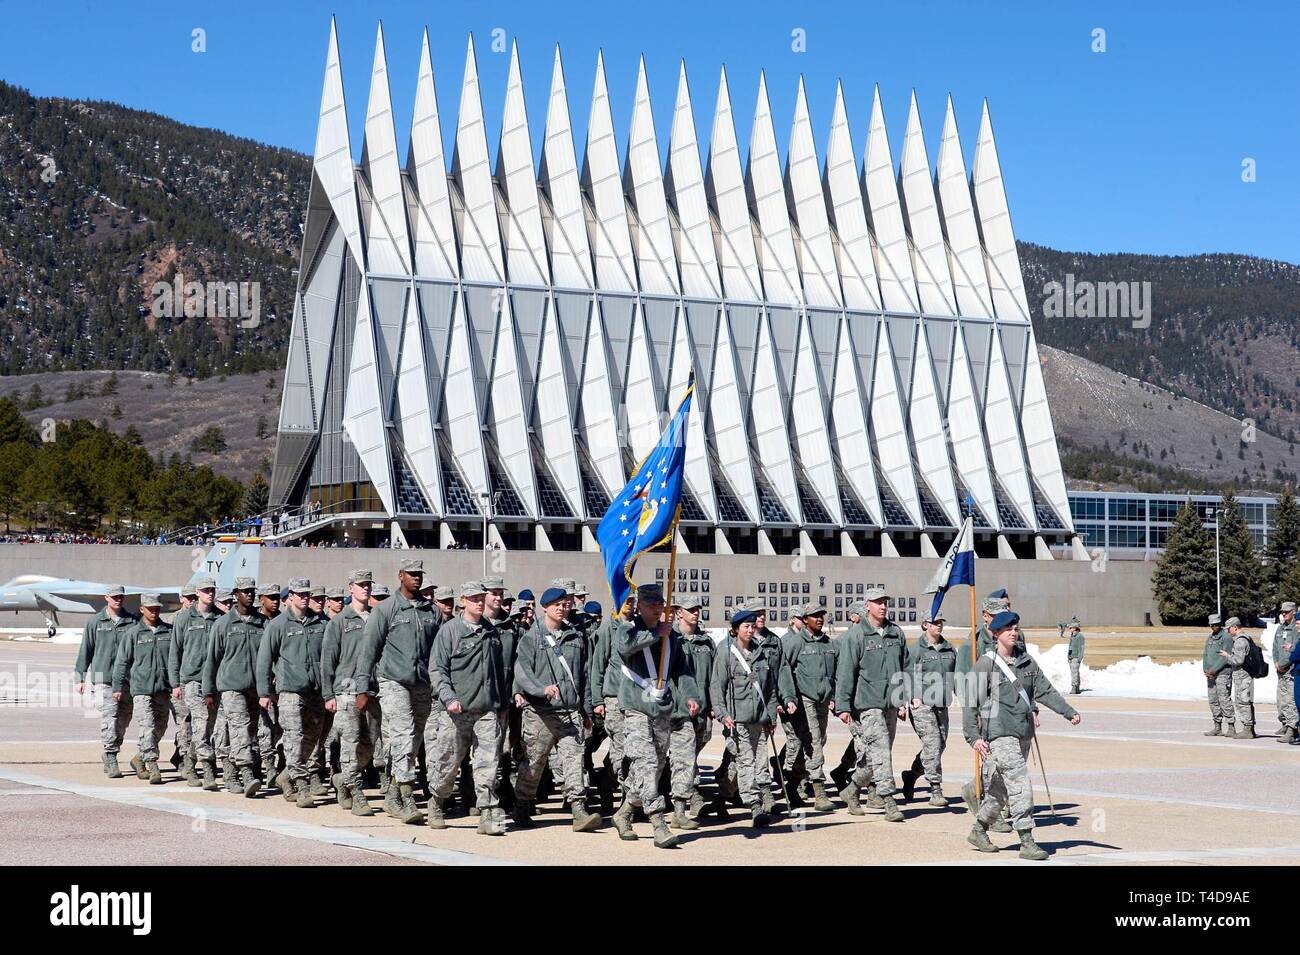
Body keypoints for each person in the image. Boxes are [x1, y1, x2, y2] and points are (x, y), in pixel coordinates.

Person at [962, 610, 1080, 860]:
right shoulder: (986, 663)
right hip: (999, 734)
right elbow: (970, 703)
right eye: (1008, 630)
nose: (1014, 632)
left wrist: (1067, 712)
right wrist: (974, 737)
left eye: (1015, 628)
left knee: (1000, 789)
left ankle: (979, 829)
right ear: (996, 634)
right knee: (1020, 783)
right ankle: (1026, 840)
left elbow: (1045, 690)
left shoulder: (1026, 662)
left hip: (1022, 733)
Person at [611, 583, 702, 848]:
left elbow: (681, 671)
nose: (657, 609)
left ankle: (624, 812)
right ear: (639, 606)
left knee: (651, 769)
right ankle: (659, 823)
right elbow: (625, 648)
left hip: (662, 709)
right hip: (636, 708)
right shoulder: (628, 628)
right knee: (647, 763)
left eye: (660, 605)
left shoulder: (670, 637)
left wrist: (690, 695)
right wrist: (653, 634)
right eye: (652, 605)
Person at [356, 559, 439, 824]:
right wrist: (362, 688)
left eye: (419, 575)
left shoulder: (431, 611)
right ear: (400, 576)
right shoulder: (387, 610)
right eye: (412, 574)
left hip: (423, 684)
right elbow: (368, 651)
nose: (417, 579)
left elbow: (438, 652)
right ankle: (407, 796)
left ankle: (393, 791)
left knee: (413, 740)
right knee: (403, 735)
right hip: (393, 681)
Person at [511, 587, 601, 832]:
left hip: (570, 710)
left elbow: (584, 675)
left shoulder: (575, 636)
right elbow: (522, 672)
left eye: (565, 604)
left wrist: (587, 711)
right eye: (557, 605)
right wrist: (540, 690)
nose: (562, 608)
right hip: (540, 712)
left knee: (574, 759)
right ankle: (521, 805)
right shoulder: (531, 637)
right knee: (534, 762)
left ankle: (578, 809)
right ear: (545, 608)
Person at [427, 580, 508, 834]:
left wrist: (501, 702)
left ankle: (487, 813)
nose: (479, 603)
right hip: (456, 711)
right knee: (448, 762)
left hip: (486, 709)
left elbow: (498, 672)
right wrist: (449, 698)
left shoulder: (491, 632)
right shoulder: (450, 631)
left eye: (481, 598)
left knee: (489, 762)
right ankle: (437, 801)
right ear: (463, 601)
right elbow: (437, 670)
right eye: (474, 599)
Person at [833, 586, 908, 822]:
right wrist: (843, 706)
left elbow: (904, 668)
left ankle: (852, 789)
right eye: (878, 602)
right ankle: (889, 801)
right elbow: (846, 671)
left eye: (885, 601)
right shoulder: (857, 635)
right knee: (882, 752)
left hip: (891, 704)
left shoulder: (896, 633)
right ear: (867, 606)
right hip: (868, 704)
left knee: (876, 757)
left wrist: (903, 699)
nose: (883, 606)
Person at [712, 609, 792, 828]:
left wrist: (771, 715)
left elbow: (770, 687)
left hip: (759, 717)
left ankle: (721, 798)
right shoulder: (726, 652)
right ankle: (755, 805)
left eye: (752, 626)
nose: (750, 630)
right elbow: (716, 686)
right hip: (736, 718)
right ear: (736, 629)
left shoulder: (761, 652)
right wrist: (722, 713)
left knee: (752, 763)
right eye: (745, 627)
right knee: (746, 761)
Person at [257, 578, 325, 808]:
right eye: (300, 594)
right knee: (294, 736)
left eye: (307, 594)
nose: (305, 597)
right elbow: (264, 660)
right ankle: (301, 785)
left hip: (316, 690)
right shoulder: (278, 625)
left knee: (313, 736)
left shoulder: (320, 623)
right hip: (289, 691)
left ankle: (286, 774)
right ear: (291, 597)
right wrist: (264, 692)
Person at [321, 569, 379, 816]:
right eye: (360, 584)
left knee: (371, 744)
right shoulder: (340, 622)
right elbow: (327, 660)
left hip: (373, 690)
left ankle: (342, 780)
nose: (365, 588)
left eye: (368, 584)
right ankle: (356, 793)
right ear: (351, 588)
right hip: (347, 691)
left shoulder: (377, 618)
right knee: (350, 742)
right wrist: (328, 694)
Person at [202, 577, 267, 797]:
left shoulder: (262, 623)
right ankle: (247, 773)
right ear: (235, 594)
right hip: (231, 686)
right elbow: (212, 659)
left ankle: (230, 774)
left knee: (248, 732)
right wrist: (208, 690)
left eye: (252, 591)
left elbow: (270, 657)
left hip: (256, 688)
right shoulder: (223, 624)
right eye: (245, 591)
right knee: (240, 728)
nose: (250, 594)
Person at [73, 584, 139, 778]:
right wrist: (80, 677)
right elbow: (86, 649)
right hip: (103, 679)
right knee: (110, 718)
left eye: (120, 597)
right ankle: (111, 756)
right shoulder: (95, 622)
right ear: (107, 598)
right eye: (114, 597)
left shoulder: (132, 621)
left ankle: (112, 747)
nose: (118, 599)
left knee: (123, 719)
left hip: (127, 679)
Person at [780, 604, 837, 811]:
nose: (819, 619)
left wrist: (835, 696)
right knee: (814, 743)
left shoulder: (829, 643)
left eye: (821, 615)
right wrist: (786, 698)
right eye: (814, 616)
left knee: (818, 740)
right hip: (804, 700)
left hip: (823, 699)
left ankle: (792, 785)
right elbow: (784, 670)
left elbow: (838, 672)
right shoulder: (795, 643)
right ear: (805, 620)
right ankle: (819, 791)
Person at [111, 594, 173, 785]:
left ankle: (139, 758)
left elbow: (176, 659)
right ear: (142, 609)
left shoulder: (168, 632)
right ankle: (153, 765)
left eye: (157, 608)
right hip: (141, 689)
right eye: (150, 608)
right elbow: (122, 662)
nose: (154, 612)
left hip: (163, 688)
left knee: (161, 727)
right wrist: (117, 686)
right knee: (147, 727)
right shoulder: (133, 634)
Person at [168, 576, 221, 789]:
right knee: (202, 720)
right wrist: (175, 683)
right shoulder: (184, 619)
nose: (210, 593)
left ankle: (188, 763)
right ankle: (208, 769)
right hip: (192, 679)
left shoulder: (220, 619)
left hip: (215, 682)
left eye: (212, 590)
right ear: (197, 593)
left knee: (207, 726)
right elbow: (175, 652)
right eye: (206, 590)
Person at [900, 612, 956, 807]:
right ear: (925, 625)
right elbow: (907, 674)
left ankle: (912, 774)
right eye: (934, 623)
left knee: (939, 745)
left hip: (942, 704)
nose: (938, 626)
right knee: (932, 743)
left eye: (941, 622)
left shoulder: (949, 649)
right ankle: (935, 788)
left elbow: (955, 675)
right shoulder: (916, 650)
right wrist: (911, 696)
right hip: (922, 703)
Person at [668, 597, 714, 827]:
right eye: (690, 610)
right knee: (683, 757)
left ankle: (687, 791)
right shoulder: (670, 639)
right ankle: (684, 803)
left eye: (698, 609)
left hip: (702, 706)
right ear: (679, 613)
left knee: (696, 746)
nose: (695, 613)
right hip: (677, 710)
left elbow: (715, 676)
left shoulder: (706, 642)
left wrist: (714, 703)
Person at [589, 594, 635, 803]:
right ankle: (627, 798)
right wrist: (597, 700)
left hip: (635, 698)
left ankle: (606, 781)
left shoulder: (638, 628)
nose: (630, 604)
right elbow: (598, 665)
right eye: (626, 599)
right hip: (614, 697)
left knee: (633, 749)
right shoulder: (608, 628)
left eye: (633, 601)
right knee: (620, 750)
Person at [1219, 617, 1256, 739]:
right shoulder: (1246, 638)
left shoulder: (1240, 641)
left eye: (1229, 629)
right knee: (1245, 701)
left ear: (1235, 627)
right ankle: (1249, 728)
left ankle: (1248, 729)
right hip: (1243, 675)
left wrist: (1227, 656)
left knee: (1243, 702)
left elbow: (1238, 660)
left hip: (1242, 676)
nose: (1228, 631)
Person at [1202, 613, 1234, 736]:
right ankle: (1217, 725)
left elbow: (1225, 657)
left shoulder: (1226, 638)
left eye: (1216, 624)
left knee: (1224, 699)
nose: (1214, 627)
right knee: (1213, 700)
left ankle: (1231, 726)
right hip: (1211, 674)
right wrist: (1206, 669)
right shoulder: (1210, 638)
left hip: (1222, 673)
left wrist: (1214, 670)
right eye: (1212, 625)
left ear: (1220, 624)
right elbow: (1205, 654)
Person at [1272, 602, 1297, 743]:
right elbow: (1275, 647)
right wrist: (1277, 662)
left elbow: (1294, 649)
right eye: (1282, 612)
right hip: (1280, 670)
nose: (1284, 614)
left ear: (1293, 611)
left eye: (1286, 612)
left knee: (1290, 701)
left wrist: (1285, 665)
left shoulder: (1296, 628)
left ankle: (1292, 729)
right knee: (1281, 700)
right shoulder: (1280, 628)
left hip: (1291, 669)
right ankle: (1285, 723)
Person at [1065, 618, 1085, 695]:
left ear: (1075, 628)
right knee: (1074, 672)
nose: (1070, 629)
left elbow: (1081, 648)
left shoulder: (1080, 636)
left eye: (1071, 627)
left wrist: (1079, 658)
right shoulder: (1072, 636)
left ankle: (1074, 687)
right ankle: (1077, 688)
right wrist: (1068, 656)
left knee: (1074, 673)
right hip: (1071, 657)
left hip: (1076, 657)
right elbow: (1070, 646)